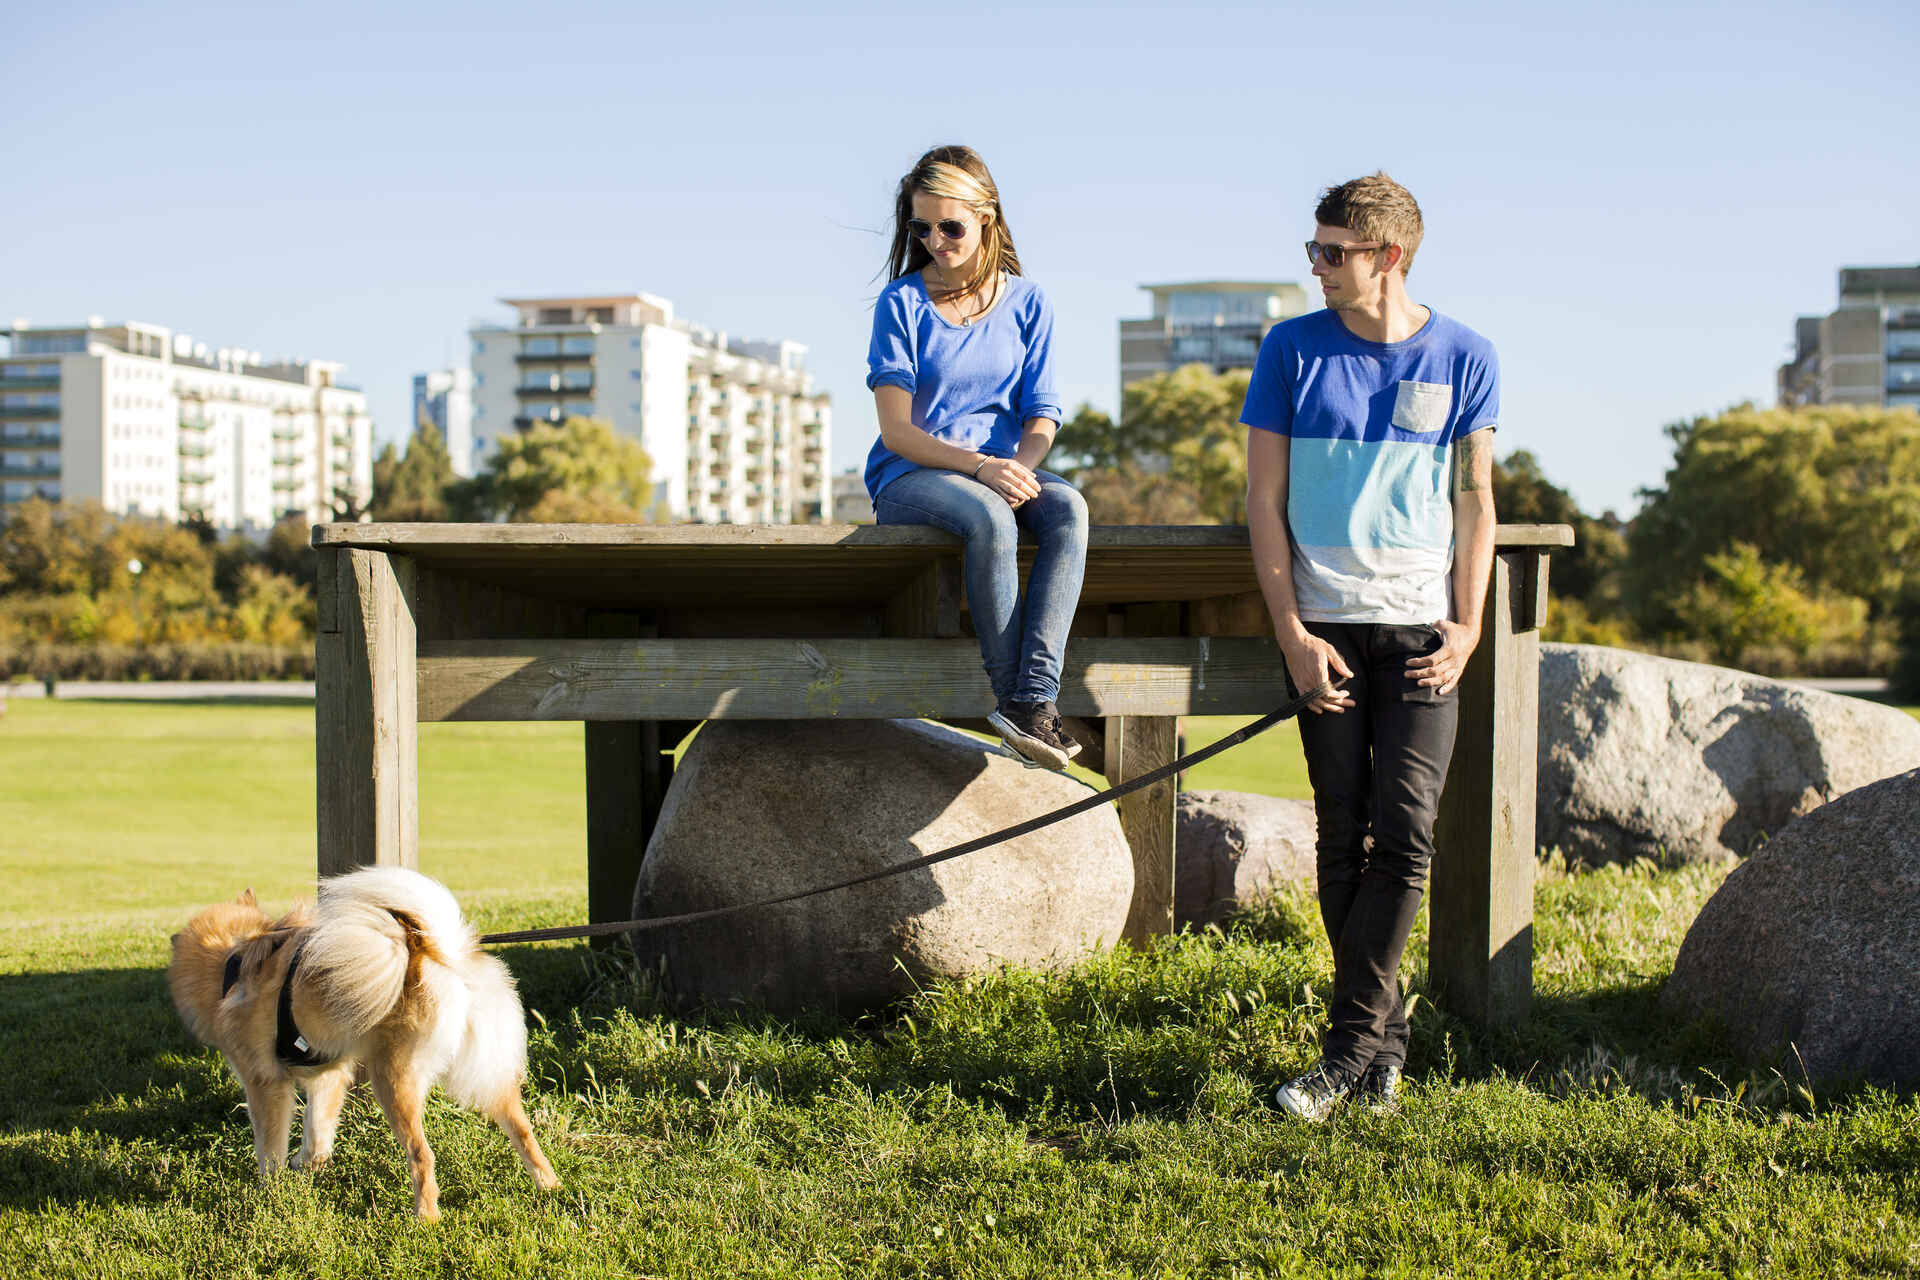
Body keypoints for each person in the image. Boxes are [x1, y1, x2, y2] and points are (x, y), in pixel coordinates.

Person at [1241, 172, 1499, 1120]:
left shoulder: (1467, 355)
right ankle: (1381, 1052)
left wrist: (1469, 627)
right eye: (1312, 249)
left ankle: (1346, 1054)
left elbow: (1476, 504)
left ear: (1388, 256)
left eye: (1331, 252)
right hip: (1326, 632)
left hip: (1423, 631)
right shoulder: (1291, 350)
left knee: (1408, 834)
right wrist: (1293, 635)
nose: (1315, 266)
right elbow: (1262, 504)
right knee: (1340, 832)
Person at [865, 144, 1088, 771]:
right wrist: (984, 470)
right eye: (921, 227)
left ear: (986, 218)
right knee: (990, 516)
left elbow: (1043, 413)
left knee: (1068, 506)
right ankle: (1015, 698)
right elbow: (896, 432)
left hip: (998, 470)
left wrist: (1019, 464)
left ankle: (1035, 702)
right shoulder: (901, 305)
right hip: (914, 475)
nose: (935, 240)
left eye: (950, 226)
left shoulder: (1028, 301)